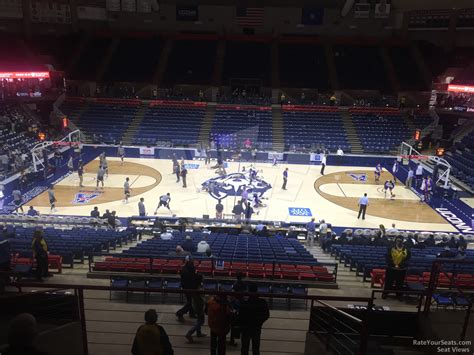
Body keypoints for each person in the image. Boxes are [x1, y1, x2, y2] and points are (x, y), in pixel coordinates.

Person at [239, 283, 270, 355]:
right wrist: (259, 322)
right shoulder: (262, 302)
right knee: (256, 348)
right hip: (256, 327)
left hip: (246, 328)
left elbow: (240, 316)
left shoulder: (244, 303)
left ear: (248, 291)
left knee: (244, 348)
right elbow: (266, 315)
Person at [185, 274, 206, 343]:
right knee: (201, 321)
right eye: (203, 278)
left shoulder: (196, 286)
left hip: (196, 305)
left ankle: (198, 333)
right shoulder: (199, 288)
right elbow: (202, 298)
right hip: (199, 306)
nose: (204, 279)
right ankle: (189, 333)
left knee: (199, 319)